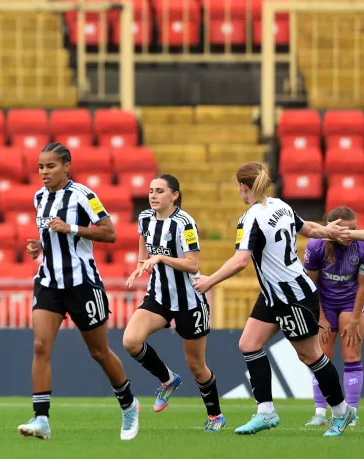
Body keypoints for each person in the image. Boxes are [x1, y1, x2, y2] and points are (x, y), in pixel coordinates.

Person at [194, 162, 357, 437]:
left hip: (292, 296)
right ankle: (266, 411)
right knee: (249, 343)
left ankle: (341, 412)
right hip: (274, 295)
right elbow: (307, 229)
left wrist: (210, 280)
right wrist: (329, 231)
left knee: (310, 355)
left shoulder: (251, 218)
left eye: (238, 186)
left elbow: (241, 260)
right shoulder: (281, 205)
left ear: (244, 187)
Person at [16, 142, 139, 441]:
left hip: (82, 284)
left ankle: (128, 404)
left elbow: (110, 232)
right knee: (40, 347)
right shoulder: (39, 198)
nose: (44, 172)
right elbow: (52, 237)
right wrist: (40, 247)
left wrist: (71, 228)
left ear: (66, 166)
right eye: (41, 167)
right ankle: (41, 419)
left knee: (98, 351)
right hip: (48, 281)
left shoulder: (83, 196)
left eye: (51, 166)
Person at [123, 175, 225, 432]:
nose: (153, 195)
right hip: (159, 297)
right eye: (150, 191)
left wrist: (160, 258)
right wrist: (140, 264)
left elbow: (192, 264)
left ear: (174, 195)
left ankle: (215, 416)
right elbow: (143, 240)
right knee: (130, 341)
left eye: (159, 191)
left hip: (189, 301)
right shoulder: (146, 217)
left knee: (196, 366)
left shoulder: (185, 223)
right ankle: (167, 380)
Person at [304, 206, 364, 427]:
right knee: (321, 356)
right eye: (345, 230)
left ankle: (351, 413)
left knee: (351, 355)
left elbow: (362, 287)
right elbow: (311, 286)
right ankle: (320, 412)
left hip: (352, 303)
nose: (349, 235)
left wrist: (354, 320)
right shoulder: (315, 246)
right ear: (332, 229)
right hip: (324, 303)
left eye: (353, 229)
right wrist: (321, 317)